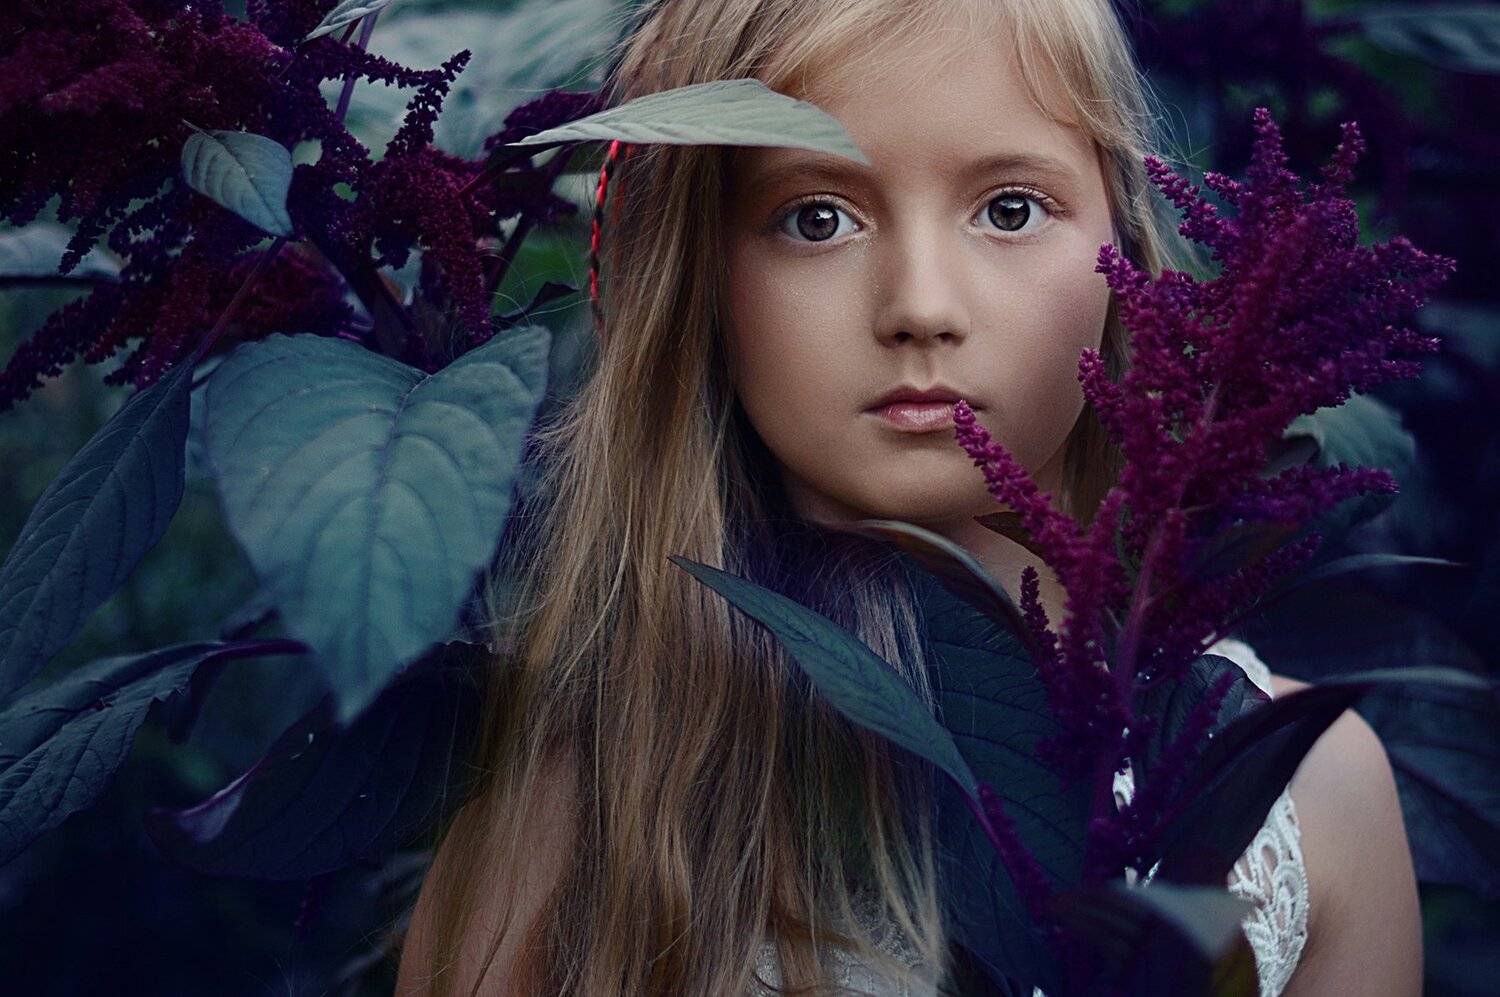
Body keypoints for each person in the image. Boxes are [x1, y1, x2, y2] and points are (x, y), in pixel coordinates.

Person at [395, 0, 1421, 994]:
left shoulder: (1307, 789)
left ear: (1126, 255)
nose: (920, 305)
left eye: (1009, 209)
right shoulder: (577, 826)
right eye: (817, 218)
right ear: (697, 282)